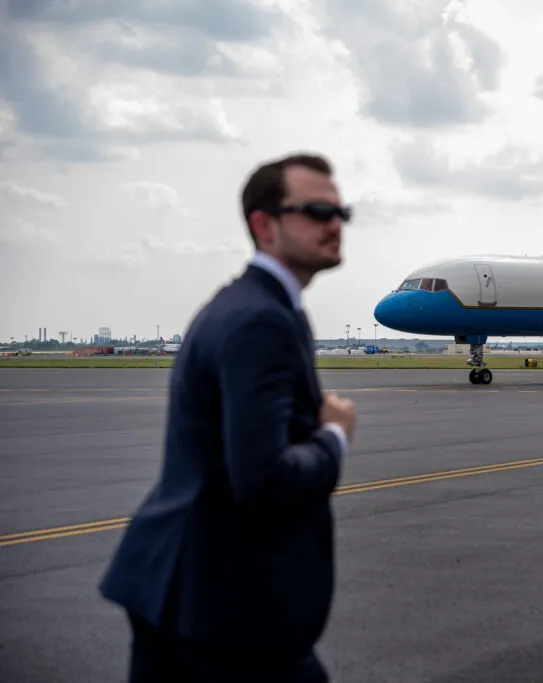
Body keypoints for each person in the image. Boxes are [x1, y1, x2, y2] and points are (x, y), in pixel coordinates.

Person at [99, 152, 357, 682]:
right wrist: (334, 437)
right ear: (264, 225)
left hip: (185, 589)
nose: (334, 224)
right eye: (315, 210)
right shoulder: (261, 320)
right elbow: (262, 480)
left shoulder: (251, 306)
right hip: (222, 604)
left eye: (340, 212)